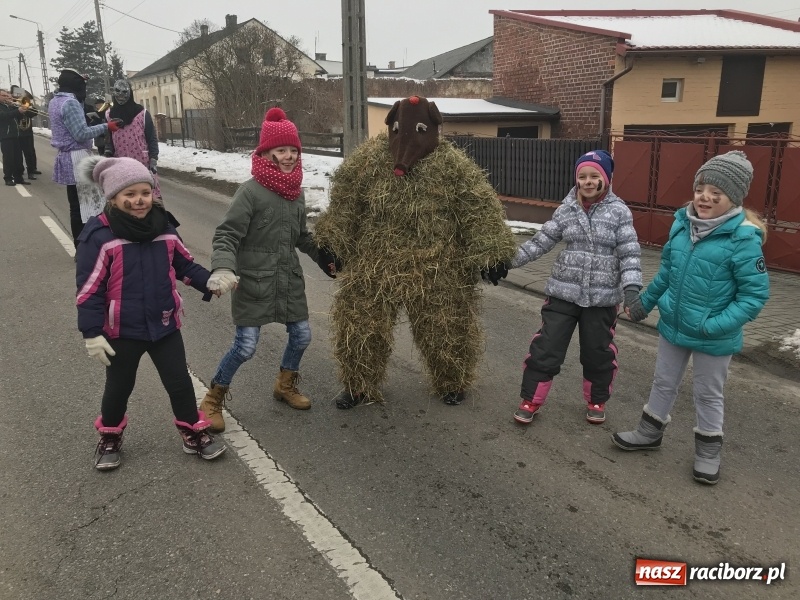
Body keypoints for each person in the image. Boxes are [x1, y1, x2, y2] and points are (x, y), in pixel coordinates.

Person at [313, 95, 516, 409]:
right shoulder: (369, 160)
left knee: (445, 325)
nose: (405, 138)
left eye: (419, 130)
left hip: (437, 263)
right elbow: (345, 204)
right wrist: (332, 243)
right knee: (361, 323)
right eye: (397, 129)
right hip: (375, 261)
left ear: (434, 128)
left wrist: (493, 251)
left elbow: (478, 208)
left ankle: (451, 380)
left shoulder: (452, 166)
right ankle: (359, 385)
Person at [613, 151, 769, 485]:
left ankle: (708, 452)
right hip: (673, 325)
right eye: (702, 189)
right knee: (663, 381)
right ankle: (649, 433)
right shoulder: (682, 225)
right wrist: (645, 303)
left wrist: (713, 326)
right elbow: (668, 272)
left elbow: (754, 297)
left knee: (708, 394)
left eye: (717, 193)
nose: (706, 198)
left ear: (733, 199)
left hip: (713, 336)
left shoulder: (743, 239)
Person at [75, 154, 226, 470]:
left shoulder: (164, 226)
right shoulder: (99, 236)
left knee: (179, 382)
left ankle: (191, 432)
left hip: (164, 323)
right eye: (129, 194)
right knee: (119, 387)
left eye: (144, 192)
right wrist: (91, 332)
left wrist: (209, 281)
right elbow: (90, 289)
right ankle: (110, 437)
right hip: (122, 330)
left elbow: (183, 264)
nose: (138, 200)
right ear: (113, 198)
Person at [199, 107, 333, 432]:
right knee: (245, 348)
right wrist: (222, 269)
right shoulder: (250, 192)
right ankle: (212, 399)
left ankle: (285, 385)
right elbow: (227, 234)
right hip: (255, 282)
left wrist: (327, 257)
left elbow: (301, 236)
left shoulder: (295, 192)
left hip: (288, 281)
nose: (288, 156)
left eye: (293, 150)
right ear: (267, 152)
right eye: (281, 150)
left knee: (302, 336)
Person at [510, 150, 642, 425]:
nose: (588, 181)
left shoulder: (619, 212)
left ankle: (596, 400)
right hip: (563, 294)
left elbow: (630, 253)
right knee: (546, 347)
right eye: (582, 176)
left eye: (595, 176)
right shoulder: (566, 209)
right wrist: (507, 262)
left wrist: (632, 289)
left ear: (606, 178)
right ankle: (531, 399)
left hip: (602, 299)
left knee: (598, 353)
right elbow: (541, 241)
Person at [48, 69, 122, 247]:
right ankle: (90, 246)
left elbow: (70, 127)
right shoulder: (70, 102)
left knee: (75, 206)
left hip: (66, 157)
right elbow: (80, 134)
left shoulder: (55, 101)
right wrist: (107, 126)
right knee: (90, 205)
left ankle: (79, 246)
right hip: (77, 157)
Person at [105, 79, 161, 199]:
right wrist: (108, 153)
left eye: (124, 92)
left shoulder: (142, 113)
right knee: (126, 197)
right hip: (121, 164)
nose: (121, 95)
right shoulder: (109, 115)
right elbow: (109, 138)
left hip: (142, 163)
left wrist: (153, 159)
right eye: (117, 91)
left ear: (129, 93)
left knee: (149, 197)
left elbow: (151, 138)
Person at [0, 88, 29, 186]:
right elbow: (4, 116)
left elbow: (18, 117)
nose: (7, 98)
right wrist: (18, 110)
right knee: (8, 158)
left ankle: (18, 177)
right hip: (6, 136)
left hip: (16, 135)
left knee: (18, 158)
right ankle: (8, 178)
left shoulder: (9, 106)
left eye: (8, 96)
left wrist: (21, 110)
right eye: (4, 96)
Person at [15, 91, 40, 181]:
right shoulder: (14, 104)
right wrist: (19, 109)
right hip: (17, 132)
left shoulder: (28, 105)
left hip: (27, 132)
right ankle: (20, 170)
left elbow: (35, 113)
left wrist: (27, 106)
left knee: (29, 153)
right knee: (18, 154)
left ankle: (31, 171)